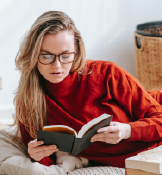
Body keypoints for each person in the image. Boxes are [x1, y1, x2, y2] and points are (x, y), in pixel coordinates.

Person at [13, 10, 162, 169]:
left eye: (65, 55)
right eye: (46, 56)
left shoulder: (106, 74)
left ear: (76, 52)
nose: (57, 66)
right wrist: (36, 155)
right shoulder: (29, 99)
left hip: (153, 145)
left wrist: (127, 131)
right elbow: (44, 159)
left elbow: (159, 119)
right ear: (33, 55)